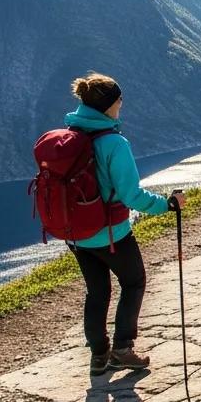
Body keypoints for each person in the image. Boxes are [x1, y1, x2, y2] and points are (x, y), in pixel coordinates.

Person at [64, 72, 185, 376]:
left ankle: (98, 356)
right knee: (133, 282)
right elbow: (131, 195)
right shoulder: (114, 143)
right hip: (110, 233)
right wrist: (166, 204)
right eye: (119, 100)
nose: (122, 104)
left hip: (77, 234)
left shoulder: (70, 135)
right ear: (108, 105)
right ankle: (122, 349)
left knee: (97, 291)